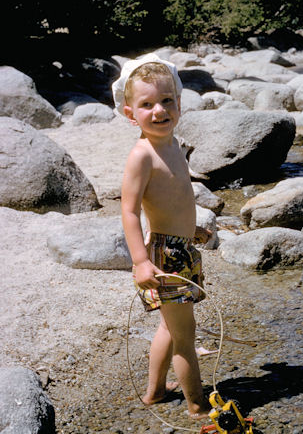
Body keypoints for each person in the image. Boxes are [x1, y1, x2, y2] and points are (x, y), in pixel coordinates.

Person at [112, 53, 212, 419]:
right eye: (147, 104)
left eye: (167, 100)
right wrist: (140, 261)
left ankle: (155, 392)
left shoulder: (172, 144)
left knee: (170, 328)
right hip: (164, 255)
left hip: (181, 246)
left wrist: (192, 229)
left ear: (179, 103)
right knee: (185, 335)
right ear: (130, 114)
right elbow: (129, 210)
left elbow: (175, 197)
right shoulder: (142, 155)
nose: (159, 110)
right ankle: (198, 407)